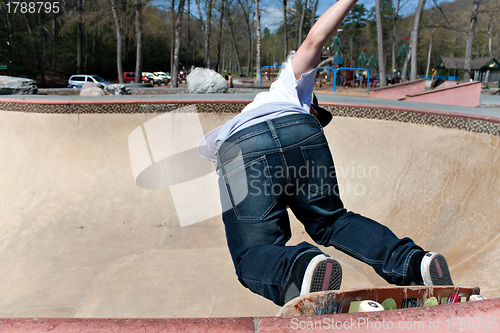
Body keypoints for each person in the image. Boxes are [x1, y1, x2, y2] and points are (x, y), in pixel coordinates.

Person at [198, 0, 453, 306]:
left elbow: (312, 39)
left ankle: (299, 268)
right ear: (313, 107)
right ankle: (413, 264)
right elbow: (315, 38)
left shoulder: (278, 90)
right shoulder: (293, 94)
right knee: (333, 221)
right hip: (301, 134)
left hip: (239, 149)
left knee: (252, 253)